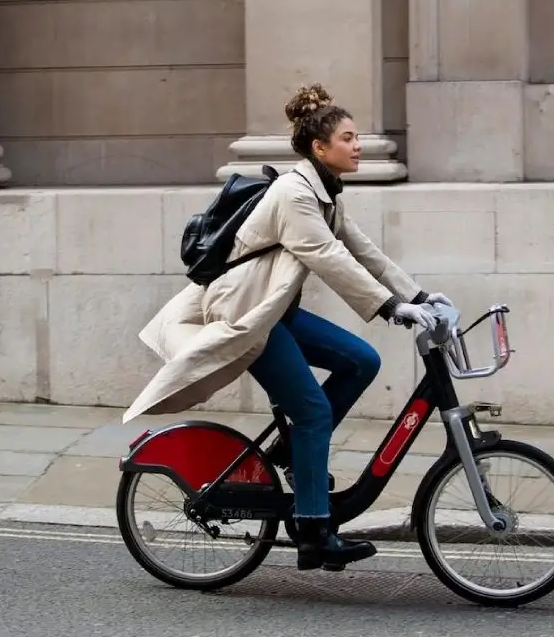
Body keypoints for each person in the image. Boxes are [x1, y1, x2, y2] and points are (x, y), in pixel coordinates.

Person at [122, 83, 452, 572]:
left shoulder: (326, 194)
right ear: (321, 148)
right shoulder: (295, 193)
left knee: (362, 361)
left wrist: (420, 296)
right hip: (249, 315)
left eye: (357, 137)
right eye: (348, 137)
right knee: (315, 412)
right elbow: (327, 256)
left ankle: (293, 451)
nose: (358, 145)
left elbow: (364, 252)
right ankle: (315, 532)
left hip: (276, 311)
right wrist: (388, 307)